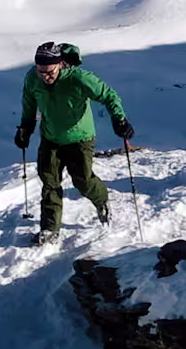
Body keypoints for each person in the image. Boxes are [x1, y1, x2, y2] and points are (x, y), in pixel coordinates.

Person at [12, 40, 138, 236]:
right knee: (49, 182)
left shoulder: (79, 78)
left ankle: (101, 199)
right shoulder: (32, 78)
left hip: (79, 138)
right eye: (40, 71)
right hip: (50, 137)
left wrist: (119, 120)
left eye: (49, 72)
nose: (45, 77)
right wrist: (24, 129)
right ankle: (49, 228)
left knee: (83, 181)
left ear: (60, 64)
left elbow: (109, 95)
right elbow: (29, 105)